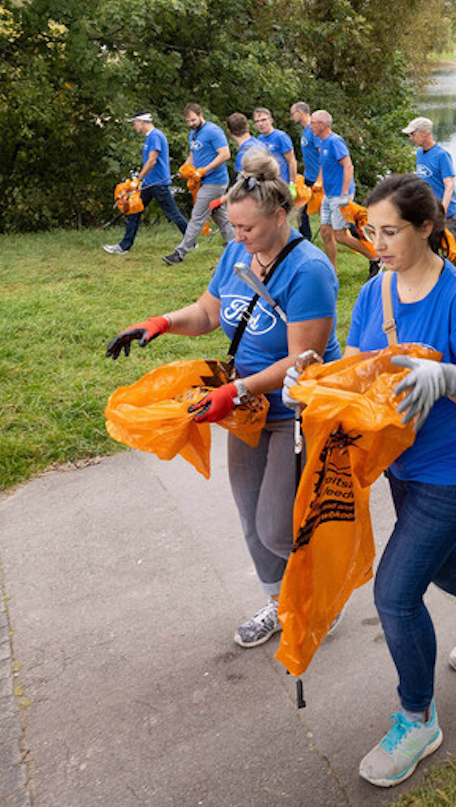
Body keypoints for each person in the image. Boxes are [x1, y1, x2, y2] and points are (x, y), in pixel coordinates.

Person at [105, 171, 340, 649]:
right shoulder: (237, 253)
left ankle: (321, 596)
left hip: (296, 409)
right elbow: (209, 313)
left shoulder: (310, 270)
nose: (238, 236)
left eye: (248, 227)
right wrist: (161, 323)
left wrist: (233, 392)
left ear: (280, 216)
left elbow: (303, 359)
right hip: (248, 409)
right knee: (250, 517)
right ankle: (279, 604)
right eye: (234, 226)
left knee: (277, 527)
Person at [343, 174, 456, 788]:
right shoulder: (375, 291)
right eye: (371, 231)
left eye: (390, 232)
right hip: (402, 463)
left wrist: (452, 379)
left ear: (426, 227)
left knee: (395, 592)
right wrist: (313, 380)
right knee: (437, 563)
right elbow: (357, 368)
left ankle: (417, 719)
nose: (377, 244)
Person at [105, 112, 188, 255]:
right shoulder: (150, 137)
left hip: (158, 184)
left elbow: (152, 161)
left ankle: (191, 240)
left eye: (134, 123)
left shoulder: (155, 136)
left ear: (142, 122)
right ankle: (124, 246)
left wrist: (138, 179)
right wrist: (142, 181)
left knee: (173, 214)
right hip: (149, 184)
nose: (134, 126)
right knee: (134, 211)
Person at [165, 104, 232, 266]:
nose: (190, 123)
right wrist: (184, 169)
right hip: (203, 181)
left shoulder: (213, 131)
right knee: (219, 214)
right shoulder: (193, 133)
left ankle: (180, 254)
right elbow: (192, 155)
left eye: (193, 120)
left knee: (197, 216)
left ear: (201, 114)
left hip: (215, 181)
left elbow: (225, 154)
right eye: (188, 121)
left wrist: (203, 170)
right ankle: (234, 245)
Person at [308, 109, 374, 268]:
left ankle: (375, 258)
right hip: (328, 194)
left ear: (322, 125)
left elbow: (348, 166)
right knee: (325, 232)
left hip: (340, 195)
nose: (310, 127)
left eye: (313, 123)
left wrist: (344, 194)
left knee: (341, 236)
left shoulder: (335, 142)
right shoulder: (322, 142)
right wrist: (319, 182)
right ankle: (332, 271)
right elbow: (324, 165)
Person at [407, 117, 456, 234]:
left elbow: (449, 185)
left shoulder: (442, 155)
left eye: (413, 134)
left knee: (449, 245)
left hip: (446, 214)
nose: (411, 138)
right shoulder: (420, 153)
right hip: (428, 211)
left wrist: (442, 211)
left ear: (425, 133)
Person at [290, 101, 320, 240]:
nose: (291, 117)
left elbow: (323, 154)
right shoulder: (306, 130)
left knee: (335, 212)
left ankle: (358, 233)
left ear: (300, 112)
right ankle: (305, 238)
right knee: (301, 209)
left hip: (318, 179)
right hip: (309, 177)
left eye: (292, 114)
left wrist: (321, 179)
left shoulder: (314, 130)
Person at [252, 107, 296, 184]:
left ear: (271, 120)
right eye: (257, 121)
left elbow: (292, 161)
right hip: (266, 182)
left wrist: (292, 183)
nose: (260, 124)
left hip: (281, 182)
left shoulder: (281, 137)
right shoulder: (259, 139)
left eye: (263, 120)